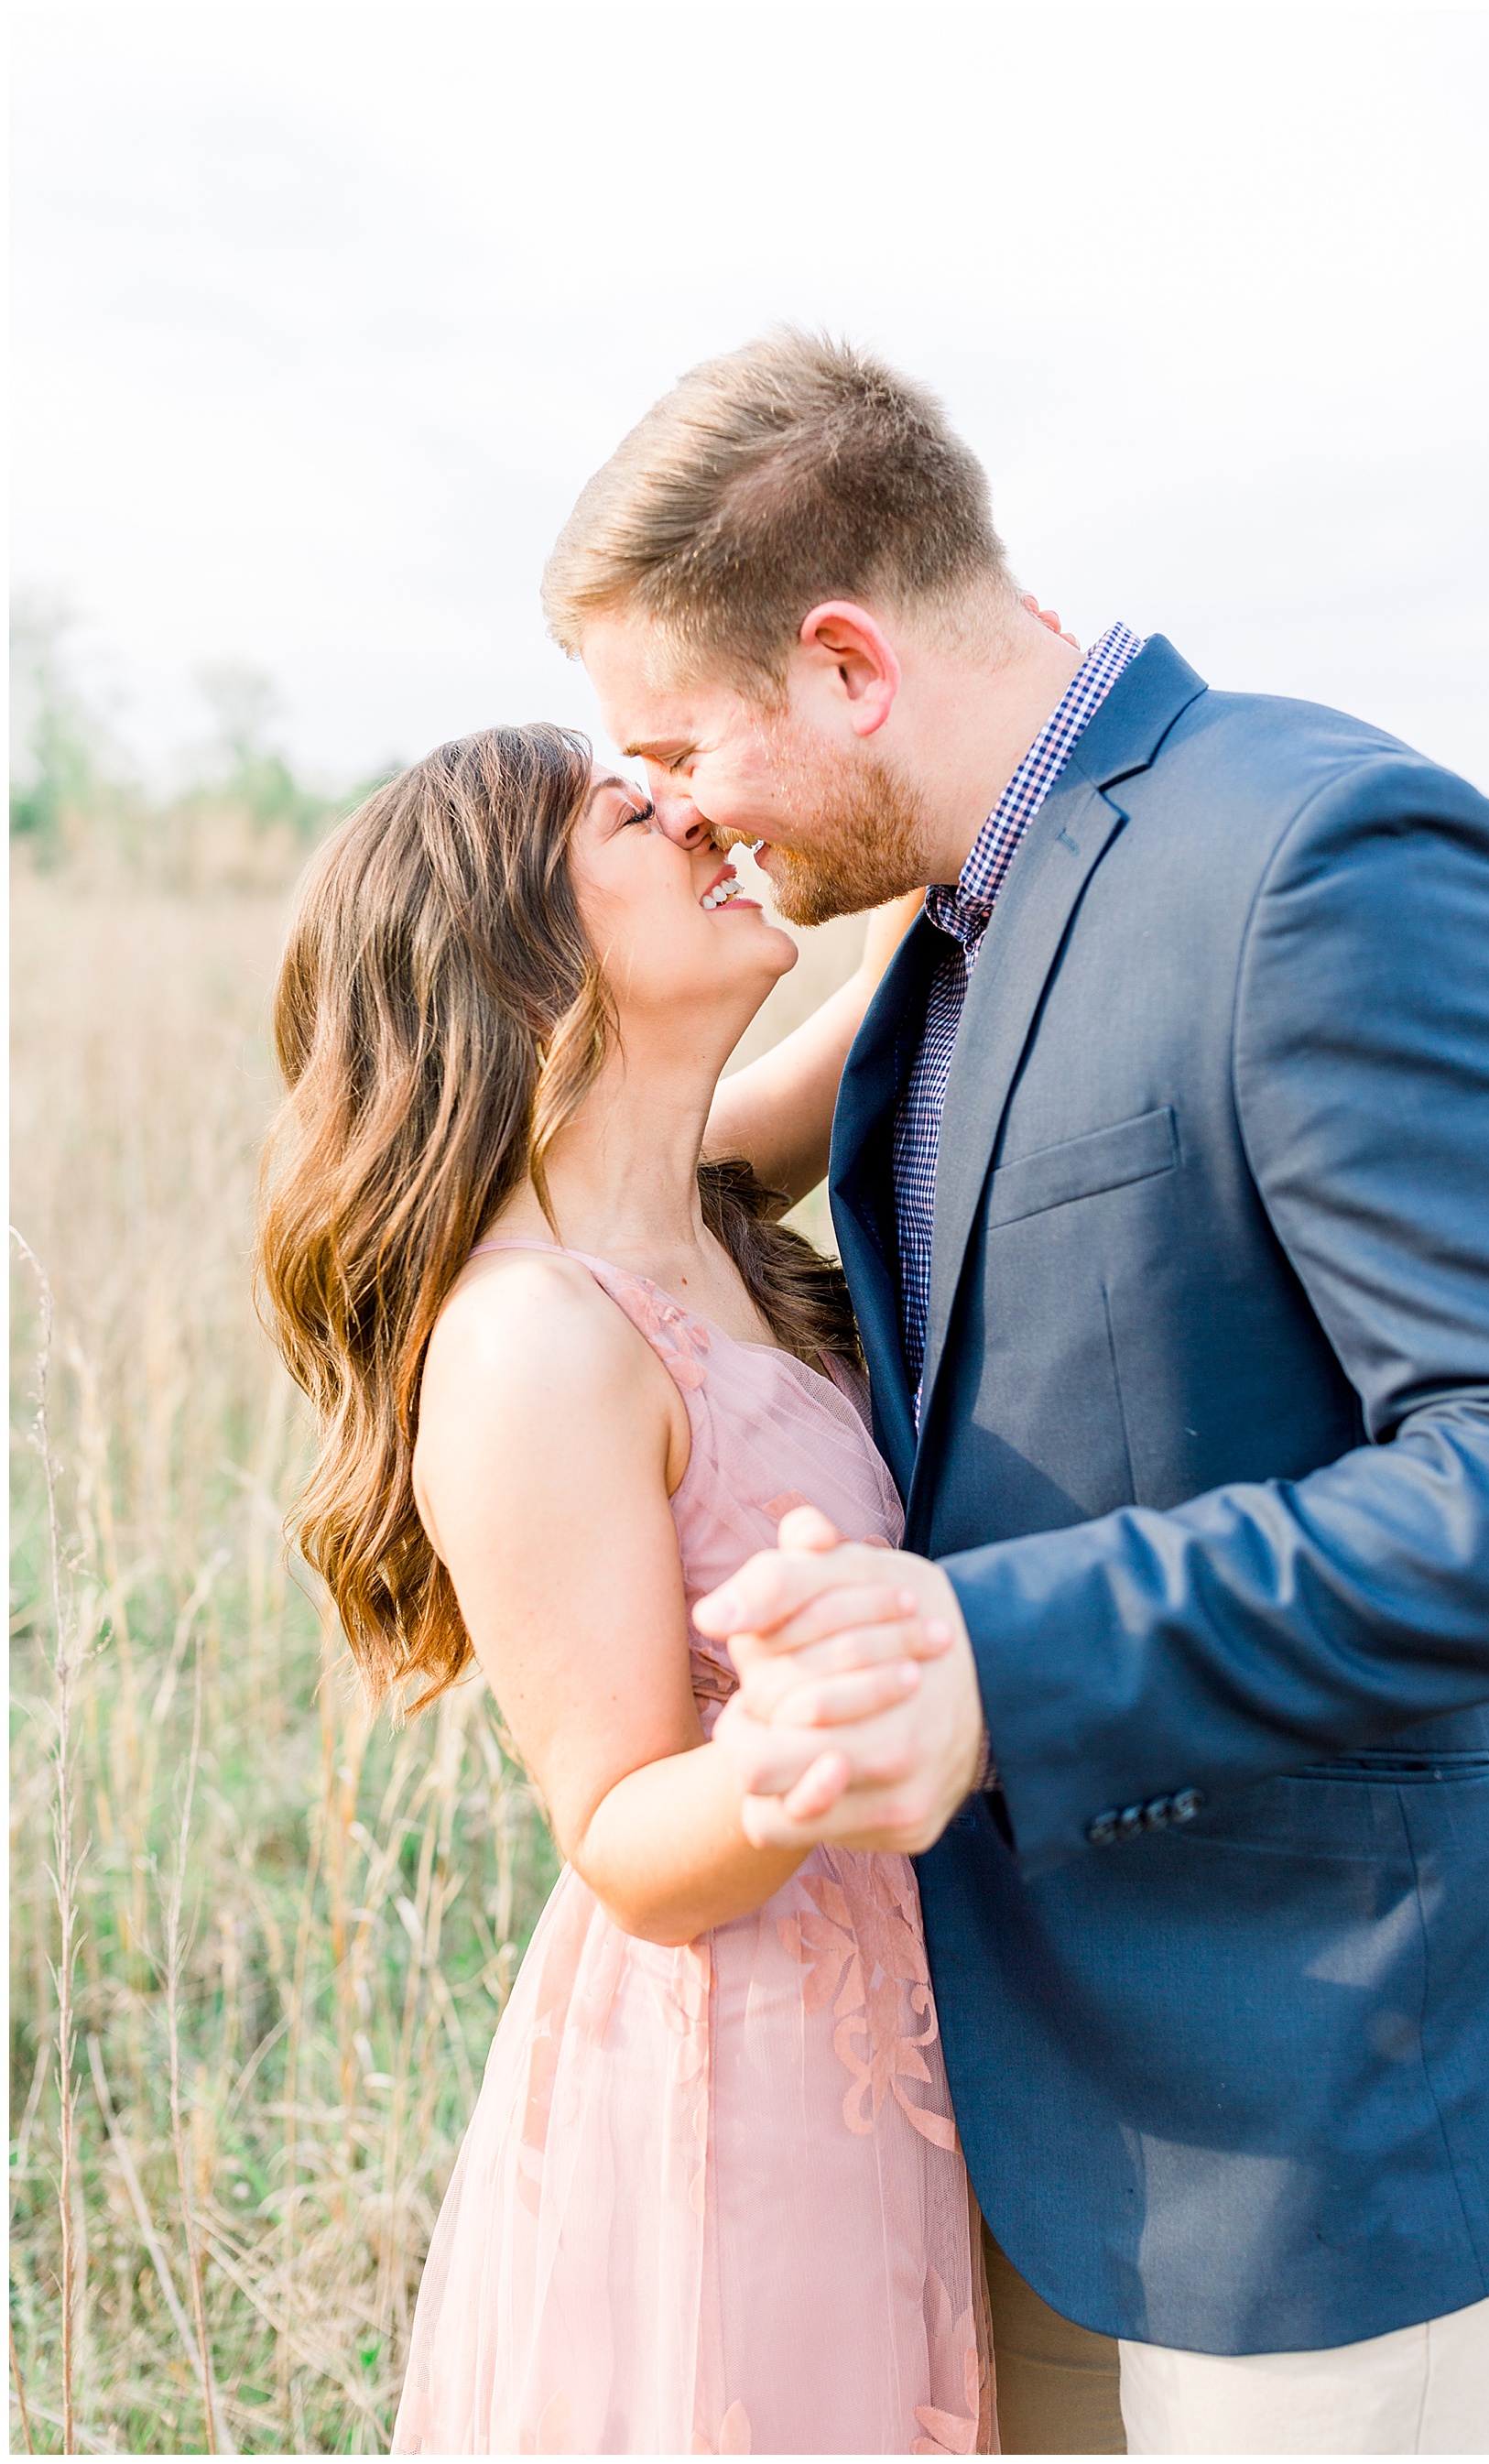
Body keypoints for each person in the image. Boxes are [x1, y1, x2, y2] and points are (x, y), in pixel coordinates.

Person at [542, 329, 1489, 2455]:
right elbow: (664, 1193)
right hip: (1038, 2105)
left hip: (1335, 2111)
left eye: (681, 749)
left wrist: (989, 1654)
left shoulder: (1323, 858)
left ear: (848, 666)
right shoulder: (935, 929)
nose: (685, 816)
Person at [255, 723, 999, 2454]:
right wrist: (829, 1721)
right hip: (732, 2091)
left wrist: (916, 736)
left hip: (877, 2043)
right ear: (517, 955)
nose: (692, 808)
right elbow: (622, 1835)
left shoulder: (693, 1206)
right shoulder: (532, 1340)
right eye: (626, 806)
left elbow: (890, 966)